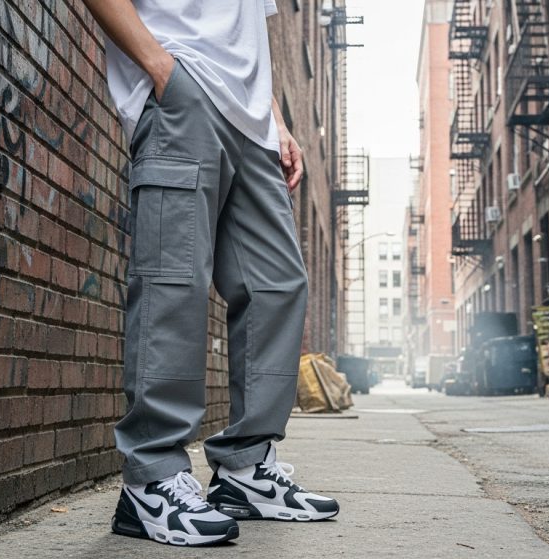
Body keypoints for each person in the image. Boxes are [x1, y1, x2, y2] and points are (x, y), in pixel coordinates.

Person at [84, 0, 339, 547]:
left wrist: (274, 116)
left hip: (252, 122)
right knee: (174, 279)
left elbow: (240, 31)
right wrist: (160, 69)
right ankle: (151, 479)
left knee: (278, 284)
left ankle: (246, 469)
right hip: (183, 88)